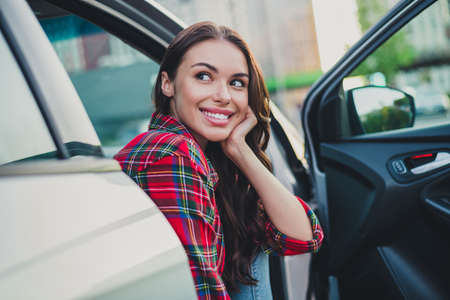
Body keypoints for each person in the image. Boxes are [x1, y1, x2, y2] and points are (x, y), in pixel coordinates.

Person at [114, 21, 323, 300]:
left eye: (236, 83)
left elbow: (303, 238)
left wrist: (240, 150)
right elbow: (200, 290)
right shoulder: (173, 153)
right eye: (203, 76)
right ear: (167, 83)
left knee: (249, 249)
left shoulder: (210, 157)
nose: (223, 96)